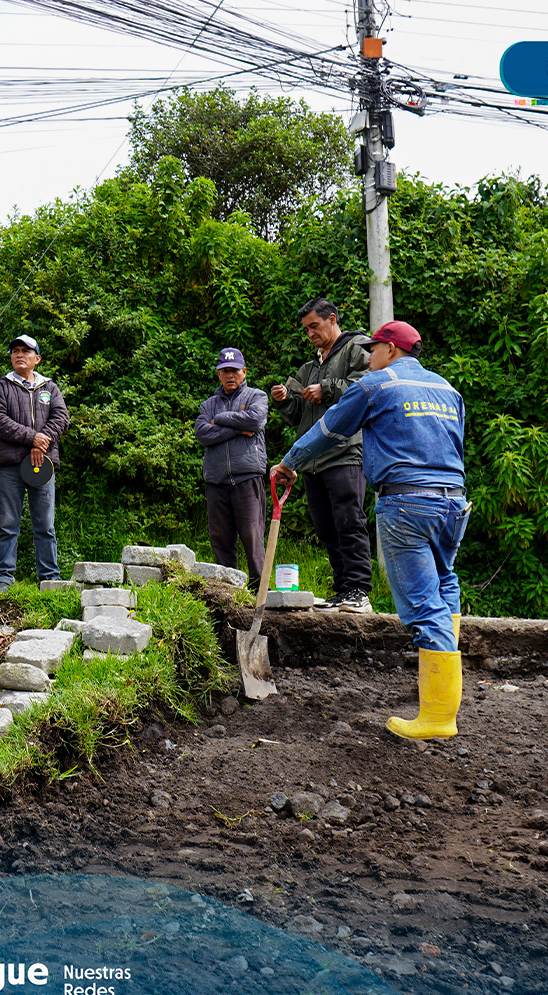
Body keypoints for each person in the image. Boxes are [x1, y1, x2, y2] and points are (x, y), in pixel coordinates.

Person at [271, 321, 470, 740]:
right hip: (453, 500)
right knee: (445, 583)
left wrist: (290, 463)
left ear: (391, 351)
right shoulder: (447, 389)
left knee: (421, 604)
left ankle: (437, 717)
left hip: (407, 502)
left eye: (373, 349)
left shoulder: (376, 385)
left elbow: (328, 431)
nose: (367, 356)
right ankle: (443, 694)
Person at [271, 298, 373, 613]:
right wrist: (286, 400)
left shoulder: (357, 348)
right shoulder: (308, 367)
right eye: (306, 330)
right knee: (326, 528)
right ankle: (343, 590)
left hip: (344, 452)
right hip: (312, 462)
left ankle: (360, 590)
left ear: (331, 319)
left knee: (349, 520)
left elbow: (368, 386)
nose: (310, 334)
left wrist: (327, 388)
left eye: (314, 326)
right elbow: (300, 416)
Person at [0, 334, 70, 591]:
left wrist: (41, 444)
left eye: (25, 350)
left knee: (45, 524)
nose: (19, 354)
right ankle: (3, 580)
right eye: (15, 351)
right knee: (7, 523)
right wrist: (33, 438)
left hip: (43, 464)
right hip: (10, 465)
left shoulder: (50, 388)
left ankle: (50, 580)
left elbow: (62, 417)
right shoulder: (0, 386)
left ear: (37, 358)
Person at [194, 346, 269, 588]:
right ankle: (229, 594)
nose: (230, 375)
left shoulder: (257, 397)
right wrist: (238, 427)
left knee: (253, 539)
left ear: (244, 372)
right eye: (225, 371)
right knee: (221, 541)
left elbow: (256, 420)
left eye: (234, 371)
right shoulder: (208, 405)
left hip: (247, 479)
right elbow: (203, 433)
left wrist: (222, 420)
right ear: (218, 374)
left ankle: (260, 595)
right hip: (216, 482)